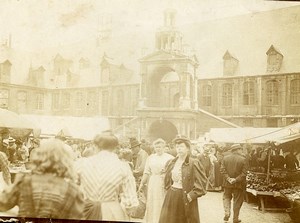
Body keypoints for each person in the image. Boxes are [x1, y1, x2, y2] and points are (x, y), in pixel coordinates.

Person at [0, 138, 85, 219]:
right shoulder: (73, 191)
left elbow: (3, 203)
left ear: (39, 156)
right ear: (66, 160)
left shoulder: (24, 181)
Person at [75, 130, 138, 221]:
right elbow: (130, 200)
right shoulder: (122, 166)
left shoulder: (82, 163)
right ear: (115, 147)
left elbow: (71, 186)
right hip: (112, 209)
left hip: (86, 209)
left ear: (96, 146)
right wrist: (129, 208)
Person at [159, 135, 207, 223]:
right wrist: (168, 189)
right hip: (172, 196)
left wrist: (192, 194)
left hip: (185, 197)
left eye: (181, 146)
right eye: (177, 147)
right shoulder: (172, 162)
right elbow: (167, 179)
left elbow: (202, 182)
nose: (179, 149)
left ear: (188, 148)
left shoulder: (194, 163)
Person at [138, 138, 174, 223]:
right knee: (153, 202)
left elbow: (174, 171)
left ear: (164, 147)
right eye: (156, 147)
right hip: (153, 182)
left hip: (165, 182)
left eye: (160, 147)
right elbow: (146, 172)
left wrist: (167, 173)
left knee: (163, 201)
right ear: (154, 148)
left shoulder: (170, 158)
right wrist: (142, 184)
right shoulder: (151, 158)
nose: (158, 149)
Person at [220, 144, 247, 223]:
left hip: (227, 183)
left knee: (226, 197)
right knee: (237, 201)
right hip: (238, 184)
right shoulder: (243, 159)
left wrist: (228, 178)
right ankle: (235, 219)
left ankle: (227, 212)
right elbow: (244, 173)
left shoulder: (225, 158)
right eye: (240, 149)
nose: (241, 151)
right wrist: (235, 179)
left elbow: (222, 170)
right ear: (237, 150)